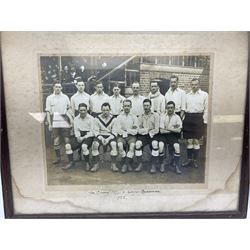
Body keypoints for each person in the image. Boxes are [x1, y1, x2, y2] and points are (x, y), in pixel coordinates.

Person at [182, 78, 208, 168]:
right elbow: (184, 109)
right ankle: (189, 160)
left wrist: (204, 122)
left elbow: (206, 109)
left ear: (199, 85)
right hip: (188, 118)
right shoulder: (187, 95)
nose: (194, 86)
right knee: (189, 141)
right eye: (192, 84)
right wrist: (183, 120)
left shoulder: (204, 95)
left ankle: (195, 161)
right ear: (191, 85)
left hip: (198, 118)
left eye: (196, 84)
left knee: (196, 141)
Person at [45, 82, 71, 164]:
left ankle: (70, 158)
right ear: (53, 87)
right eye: (56, 87)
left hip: (64, 117)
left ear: (61, 88)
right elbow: (48, 112)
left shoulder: (65, 97)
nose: (58, 88)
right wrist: (49, 123)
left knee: (67, 139)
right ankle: (58, 158)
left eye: (59, 87)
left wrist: (71, 120)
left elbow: (69, 109)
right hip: (54, 118)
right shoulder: (49, 98)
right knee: (56, 140)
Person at [63, 103, 94, 170]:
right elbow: (76, 130)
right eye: (81, 110)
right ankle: (71, 162)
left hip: (88, 136)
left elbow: (92, 132)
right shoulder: (76, 119)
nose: (82, 112)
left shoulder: (91, 118)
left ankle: (87, 163)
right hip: (79, 135)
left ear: (87, 110)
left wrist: (83, 137)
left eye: (84, 110)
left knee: (84, 146)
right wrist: (78, 137)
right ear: (78, 110)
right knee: (67, 146)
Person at [134, 99, 160, 173]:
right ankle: (140, 164)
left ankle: (153, 165)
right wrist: (147, 130)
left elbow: (156, 129)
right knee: (137, 144)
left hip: (153, 135)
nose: (146, 107)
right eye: (145, 105)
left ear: (150, 106)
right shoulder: (140, 116)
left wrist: (146, 130)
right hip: (143, 135)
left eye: (147, 105)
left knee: (155, 144)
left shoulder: (156, 115)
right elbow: (138, 129)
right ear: (143, 106)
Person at [91, 103, 119, 172]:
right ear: (101, 110)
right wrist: (101, 138)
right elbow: (95, 131)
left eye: (107, 110)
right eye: (103, 110)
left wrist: (108, 139)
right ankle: (96, 164)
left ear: (110, 110)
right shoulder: (97, 118)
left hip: (110, 136)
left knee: (113, 144)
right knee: (95, 144)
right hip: (100, 135)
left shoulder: (114, 119)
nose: (105, 112)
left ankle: (113, 164)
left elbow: (115, 131)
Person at [158, 101, 182, 174]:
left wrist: (168, 128)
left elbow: (178, 130)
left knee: (177, 146)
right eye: (168, 108)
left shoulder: (177, 117)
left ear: (174, 108)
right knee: (160, 146)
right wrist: (172, 129)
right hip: (164, 136)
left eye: (171, 108)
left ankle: (177, 165)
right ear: (166, 108)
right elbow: (161, 131)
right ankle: (162, 164)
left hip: (172, 136)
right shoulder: (163, 117)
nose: (170, 109)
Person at [116, 100, 138, 173]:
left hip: (131, 136)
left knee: (132, 146)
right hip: (121, 136)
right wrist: (126, 131)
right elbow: (118, 129)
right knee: (119, 145)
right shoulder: (119, 117)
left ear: (131, 107)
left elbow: (135, 130)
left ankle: (125, 165)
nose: (126, 107)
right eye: (125, 106)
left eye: (128, 106)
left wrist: (127, 131)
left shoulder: (134, 117)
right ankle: (128, 164)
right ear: (123, 107)